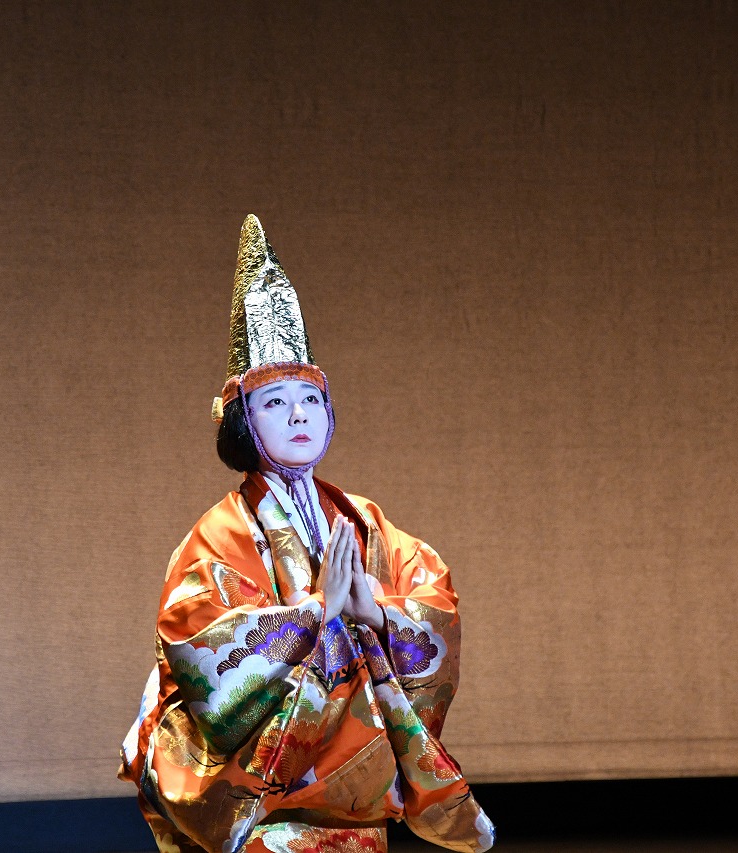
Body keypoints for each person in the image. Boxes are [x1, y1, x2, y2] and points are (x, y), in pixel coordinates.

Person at [119, 216, 494, 853]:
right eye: (273, 402)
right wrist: (315, 614)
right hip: (269, 816)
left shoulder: (362, 518)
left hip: (359, 808)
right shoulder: (220, 534)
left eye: (309, 399)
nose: (298, 414)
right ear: (241, 419)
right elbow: (199, 648)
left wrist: (373, 610)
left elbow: (435, 603)